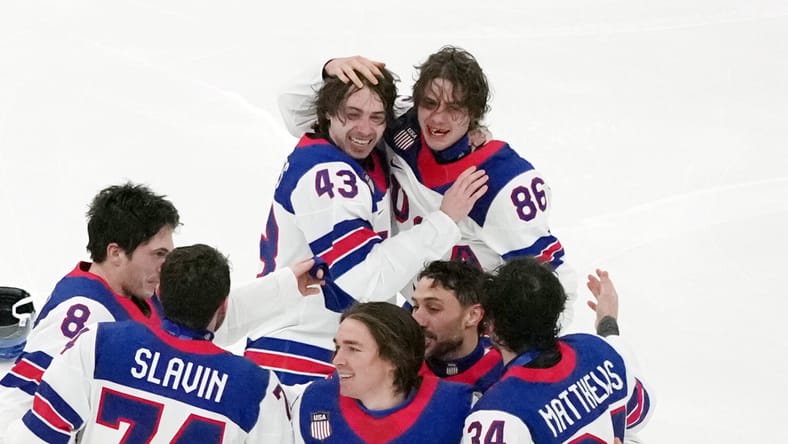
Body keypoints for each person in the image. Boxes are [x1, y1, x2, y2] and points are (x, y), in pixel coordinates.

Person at [279, 45, 578, 330]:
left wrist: (526, 352)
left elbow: (555, 281)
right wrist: (328, 68)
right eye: (430, 103)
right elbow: (299, 115)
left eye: (455, 108)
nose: (437, 118)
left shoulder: (502, 182)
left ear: (474, 112)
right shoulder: (397, 126)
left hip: (475, 338)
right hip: (420, 324)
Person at [243, 66, 489, 384]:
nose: (365, 129)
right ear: (328, 113)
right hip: (299, 358)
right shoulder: (329, 179)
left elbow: (297, 107)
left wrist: (468, 131)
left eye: (377, 117)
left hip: (331, 350)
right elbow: (367, 281)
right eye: (353, 114)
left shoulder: (351, 147)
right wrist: (443, 221)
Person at [7, 244, 295, 443]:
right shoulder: (255, 386)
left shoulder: (100, 343)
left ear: (158, 291)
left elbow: (35, 438)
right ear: (223, 304)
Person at [462, 258, 653, 444]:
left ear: (491, 325)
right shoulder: (600, 350)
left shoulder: (497, 415)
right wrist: (608, 323)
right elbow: (640, 411)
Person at [290, 301, 474, 443]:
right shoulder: (307, 400)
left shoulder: (462, 407)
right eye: (338, 347)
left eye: (353, 349)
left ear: (394, 358)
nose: (337, 360)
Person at [411, 260, 502, 393]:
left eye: (433, 308)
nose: (417, 320)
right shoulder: (398, 371)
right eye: (415, 307)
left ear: (472, 316)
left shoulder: (504, 372)